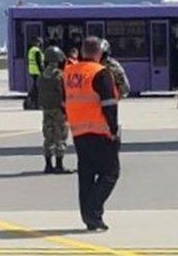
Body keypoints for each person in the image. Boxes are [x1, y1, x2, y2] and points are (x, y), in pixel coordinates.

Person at [65, 36, 121, 231]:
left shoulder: (70, 72)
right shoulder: (100, 73)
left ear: (82, 51)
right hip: (100, 131)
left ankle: (89, 218)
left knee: (86, 175)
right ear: (99, 52)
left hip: (78, 131)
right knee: (111, 173)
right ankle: (93, 211)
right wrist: (113, 129)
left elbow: (66, 100)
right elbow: (109, 104)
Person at [39, 46, 70, 174]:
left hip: (46, 109)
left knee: (48, 136)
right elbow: (64, 92)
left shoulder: (42, 76)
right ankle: (59, 165)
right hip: (59, 109)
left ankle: (48, 165)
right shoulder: (59, 76)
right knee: (60, 136)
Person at [27, 37, 45, 108]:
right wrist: (42, 71)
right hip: (37, 71)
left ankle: (31, 99)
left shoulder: (31, 50)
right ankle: (35, 101)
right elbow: (39, 62)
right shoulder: (37, 51)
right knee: (37, 87)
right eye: (40, 42)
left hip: (32, 70)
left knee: (34, 86)